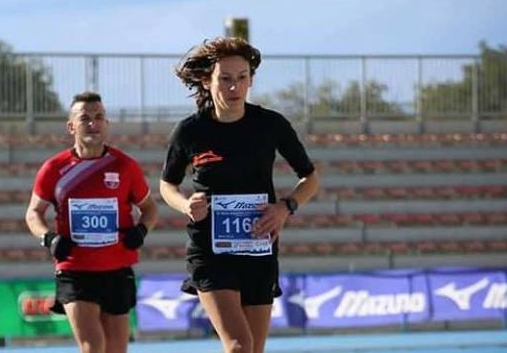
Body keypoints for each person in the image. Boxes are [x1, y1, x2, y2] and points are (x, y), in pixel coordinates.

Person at [159, 37, 320, 353]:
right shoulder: (189, 131)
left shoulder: (271, 125)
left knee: (253, 349)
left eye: (242, 78)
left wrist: (285, 207)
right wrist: (186, 205)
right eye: (225, 79)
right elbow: (167, 185)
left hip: (258, 247)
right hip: (210, 250)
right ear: (207, 81)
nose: (234, 87)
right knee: (238, 345)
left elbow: (310, 178)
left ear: (251, 80)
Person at [25, 91, 158, 353]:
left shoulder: (125, 166)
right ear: (71, 126)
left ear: (107, 124)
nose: (93, 123)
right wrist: (49, 238)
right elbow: (33, 213)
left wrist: (141, 231)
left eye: (99, 117)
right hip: (75, 270)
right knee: (92, 345)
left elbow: (150, 208)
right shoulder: (53, 169)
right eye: (85, 118)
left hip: (117, 269)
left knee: (116, 348)